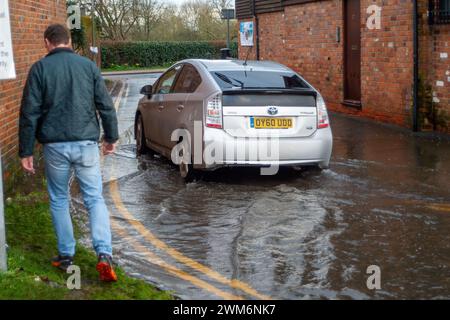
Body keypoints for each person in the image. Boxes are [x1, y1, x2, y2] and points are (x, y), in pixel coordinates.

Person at [19, 24, 119, 282]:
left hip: (54, 146)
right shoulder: (88, 67)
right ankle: (104, 254)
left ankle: (66, 257)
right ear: (69, 42)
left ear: (46, 42)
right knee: (95, 198)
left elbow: (29, 113)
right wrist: (111, 138)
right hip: (86, 143)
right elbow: (106, 106)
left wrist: (25, 151)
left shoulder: (40, 69)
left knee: (59, 199)